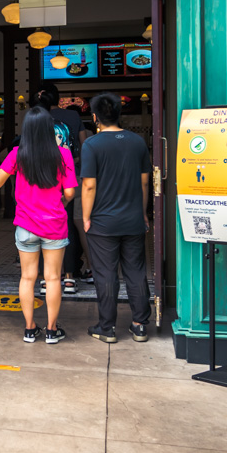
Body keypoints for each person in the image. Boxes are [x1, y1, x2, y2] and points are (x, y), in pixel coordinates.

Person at [0, 106, 77, 344]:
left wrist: (8, 170)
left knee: (27, 278)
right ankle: (51, 330)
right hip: (54, 225)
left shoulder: (18, 154)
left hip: (26, 225)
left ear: (26, 129)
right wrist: (61, 200)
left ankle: (29, 329)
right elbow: (70, 191)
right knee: (52, 279)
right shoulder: (63, 155)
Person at [81, 92, 153, 344]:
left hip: (103, 221)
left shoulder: (92, 145)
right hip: (133, 219)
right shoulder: (137, 142)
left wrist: (86, 217)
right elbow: (145, 182)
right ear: (119, 115)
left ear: (94, 118)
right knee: (135, 271)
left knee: (106, 274)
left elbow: (89, 186)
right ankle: (140, 325)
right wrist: (143, 213)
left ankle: (107, 328)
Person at [34, 83, 88, 295]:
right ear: (59, 98)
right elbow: (84, 146)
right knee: (66, 226)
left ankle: (49, 276)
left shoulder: (36, 118)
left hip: (43, 177)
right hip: (68, 174)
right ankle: (69, 277)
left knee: (44, 226)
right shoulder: (74, 118)